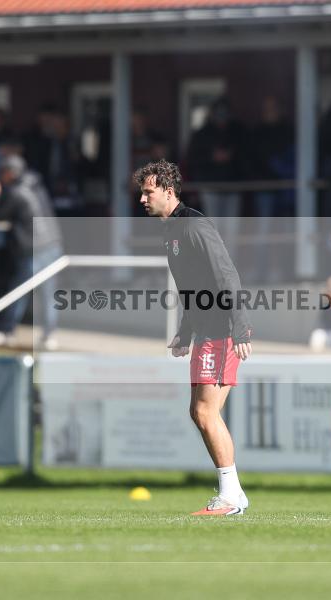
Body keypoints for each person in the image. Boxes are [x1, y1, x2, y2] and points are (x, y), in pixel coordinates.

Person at [135, 159, 252, 516]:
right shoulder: (170, 230)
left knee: (204, 411)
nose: (142, 199)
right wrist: (185, 331)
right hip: (205, 330)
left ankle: (231, 497)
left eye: (148, 192)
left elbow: (226, 275)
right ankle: (233, 493)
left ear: (168, 192)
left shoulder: (194, 225)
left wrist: (240, 325)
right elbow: (193, 285)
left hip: (221, 330)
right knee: (201, 412)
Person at [0, 155, 63, 350]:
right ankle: (49, 335)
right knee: (49, 294)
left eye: (3, 172)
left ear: (10, 173)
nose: (1, 177)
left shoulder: (15, 192)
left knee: (19, 291)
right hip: (53, 244)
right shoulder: (37, 184)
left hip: (34, 248)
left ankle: (6, 331)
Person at [185, 97, 245, 250]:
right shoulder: (202, 134)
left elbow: (247, 156)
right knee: (214, 229)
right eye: (219, 113)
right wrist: (212, 157)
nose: (221, 116)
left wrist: (231, 156)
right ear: (212, 114)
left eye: (224, 113)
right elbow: (192, 158)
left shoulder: (237, 132)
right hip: (210, 187)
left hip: (233, 187)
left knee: (232, 231)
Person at [247, 95, 294, 283]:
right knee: (263, 234)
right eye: (267, 108)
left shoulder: (287, 131)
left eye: (273, 108)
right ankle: (261, 274)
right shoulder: (257, 133)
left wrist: (280, 169)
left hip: (286, 191)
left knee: (286, 234)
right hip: (264, 189)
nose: (270, 112)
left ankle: (286, 273)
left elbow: (294, 159)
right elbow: (252, 160)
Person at [24, 103, 83, 216]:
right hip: (48, 191)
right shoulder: (46, 143)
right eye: (54, 125)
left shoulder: (71, 143)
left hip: (70, 193)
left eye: (60, 125)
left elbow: (78, 166)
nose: (56, 128)